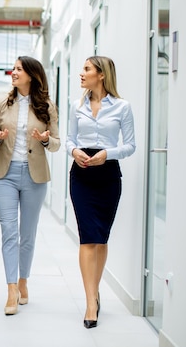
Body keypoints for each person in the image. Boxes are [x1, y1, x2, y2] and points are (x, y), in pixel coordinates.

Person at [0, 56, 60, 316]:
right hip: (4, 174)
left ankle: (24, 280)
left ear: (31, 75)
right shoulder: (1, 103)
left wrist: (46, 140)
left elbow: (58, 142)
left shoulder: (46, 106)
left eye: (18, 69)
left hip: (34, 175)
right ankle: (11, 289)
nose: (13, 73)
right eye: (13, 69)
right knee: (9, 231)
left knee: (27, 234)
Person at [66, 56, 135, 329]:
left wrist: (108, 154)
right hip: (81, 174)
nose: (81, 74)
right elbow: (70, 139)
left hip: (107, 174)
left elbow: (130, 146)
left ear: (101, 75)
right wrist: (74, 150)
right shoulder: (77, 105)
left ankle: (94, 291)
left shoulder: (122, 107)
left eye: (86, 69)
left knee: (101, 238)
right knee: (87, 238)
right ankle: (90, 302)